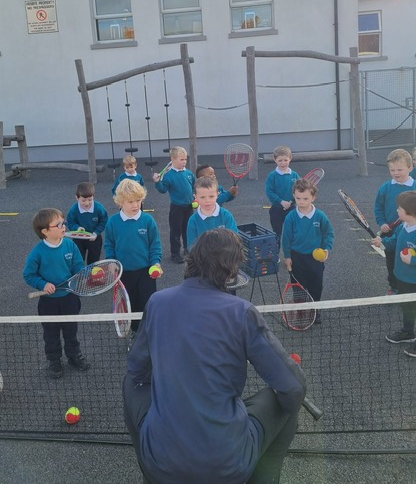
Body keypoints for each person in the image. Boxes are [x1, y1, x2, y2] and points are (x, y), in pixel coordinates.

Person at [123, 229, 306, 484]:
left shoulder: (157, 302)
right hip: (228, 467)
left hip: (158, 465)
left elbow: (137, 371)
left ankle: (151, 461)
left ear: (192, 260)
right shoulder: (242, 312)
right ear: (232, 271)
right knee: (286, 399)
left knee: (130, 383)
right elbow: (294, 388)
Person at [23, 208, 90, 379]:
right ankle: (54, 360)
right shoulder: (38, 252)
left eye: (63, 222)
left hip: (69, 298)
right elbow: (29, 275)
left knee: (71, 330)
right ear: (45, 231)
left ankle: (74, 356)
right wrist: (43, 284)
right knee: (51, 333)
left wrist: (81, 276)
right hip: (48, 302)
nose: (63, 226)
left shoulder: (70, 244)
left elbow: (78, 266)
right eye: (58, 224)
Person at [105, 179, 162, 335]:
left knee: (147, 304)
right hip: (124, 273)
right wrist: (111, 261)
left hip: (146, 272)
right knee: (130, 305)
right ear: (120, 202)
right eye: (130, 201)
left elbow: (155, 245)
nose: (135, 205)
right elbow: (109, 244)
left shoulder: (147, 220)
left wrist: (155, 263)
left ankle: (148, 333)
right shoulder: (113, 222)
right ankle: (136, 333)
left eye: (138, 200)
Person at [281, 178, 334, 320]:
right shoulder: (291, 217)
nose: (301, 201)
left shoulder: (320, 216)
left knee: (316, 286)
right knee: (298, 288)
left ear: (313, 198)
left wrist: (326, 248)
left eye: (305, 198)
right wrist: (287, 257)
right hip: (297, 257)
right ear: (294, 196)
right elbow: (286, 238)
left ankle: (314, 310)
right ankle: (300, 311)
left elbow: (328, 233)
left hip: (315, 259)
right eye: (298, 198)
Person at [372, 191, 416, 357]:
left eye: (400, 208)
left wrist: (412, 260)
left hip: (414, 280)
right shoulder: (402, 226)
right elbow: (393, 242)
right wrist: (382, 243)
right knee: (407, 307)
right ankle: (408, 332)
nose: (397, 211)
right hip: (402, 277)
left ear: (410, 212)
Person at [374, 148, 416, 295]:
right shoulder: (386, 187)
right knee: (392, 263)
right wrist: (382, 223)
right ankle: (394, 286)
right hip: (390, 232)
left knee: (412, 261)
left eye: (400, 169)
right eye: (392, 170)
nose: (396, 173)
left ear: (410, 168)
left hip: (411, 232)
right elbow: (378, 207)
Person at [152, 146, 195, 263]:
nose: (184, 162)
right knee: (176, 231)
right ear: (173, 160)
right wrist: (157, 182)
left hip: (189, 207)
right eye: (182, 159)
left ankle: (188, 249)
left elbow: (194, 186)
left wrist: (195, 195)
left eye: (185, 159)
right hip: (177, 208)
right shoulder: (169, 175)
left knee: (188, 229)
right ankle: (175, 253)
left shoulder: (189, 174)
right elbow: (163, 189)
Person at [186, 176, 238, 249]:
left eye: (211, 196)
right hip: (202, 259)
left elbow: (234, 240)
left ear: (218, 195)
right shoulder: (193, 220)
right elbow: (191, 246)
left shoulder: (226, 215)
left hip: (225, 257)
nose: (207, 200)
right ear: (196, 197)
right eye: (202, 197)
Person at [66, 181, 108, 264]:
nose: (87, 203)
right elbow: (70, 222)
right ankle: (79, 274)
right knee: (78, 259)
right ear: (77, 198)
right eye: (83, 200)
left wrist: (96, 232)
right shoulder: (74, 210)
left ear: (93, 197)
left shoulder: (98, 208)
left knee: (94, 259)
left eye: (90, 200)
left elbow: (104, 221)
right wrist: (77, 228)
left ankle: (92, 275)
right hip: (79, 238)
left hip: (94, 237)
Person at [265, 145, 300, 241]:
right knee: (277, 233)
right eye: (280, 160)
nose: (283, 163)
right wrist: (281, 201)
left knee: (293, 232)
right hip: (276, 209)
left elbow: (300, 189)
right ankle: (276, 255)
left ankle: (293, 254)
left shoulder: (294, 175)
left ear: (290, 159)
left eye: (285, 160)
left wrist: (292, 202)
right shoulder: (272, 176)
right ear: (274, 160)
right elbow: (269, 192)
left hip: (292, 208)